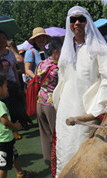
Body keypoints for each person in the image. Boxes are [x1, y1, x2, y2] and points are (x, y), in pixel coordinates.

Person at [52, 6, 107, 176]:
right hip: (65, 112)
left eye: (81, 19)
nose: (77, 23)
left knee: (83, 153)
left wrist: (96, 108)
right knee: (64, 151)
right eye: (73, 20)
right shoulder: (66, 51)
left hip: (85, 110)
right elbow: (62, 81)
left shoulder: (99, 49)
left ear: (87, 22)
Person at [0, 72, 36, 178]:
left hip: (3, 138)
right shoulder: (0, 104)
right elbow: (5, 122)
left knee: (14, 155)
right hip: (4, 140)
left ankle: (20, 173)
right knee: (4, 165)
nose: (7, 89)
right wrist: (16, 127)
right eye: (5, 86)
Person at [0, 30, 32, 139]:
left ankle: (18, 125)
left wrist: (18, 84)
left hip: (12, 84)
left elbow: (14, 70)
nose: (2, 40)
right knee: (5, 109)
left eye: (3, 38)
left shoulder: (10, 52)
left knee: (15, 107)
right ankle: (11, 130)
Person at [36, 37, 63, 169]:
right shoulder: (58, 68)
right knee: (55, 132)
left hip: (40, 101)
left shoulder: (41, 64)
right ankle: (58, 160)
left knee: (44, 133)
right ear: (57, 52)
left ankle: (48, 160)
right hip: (51, 104)